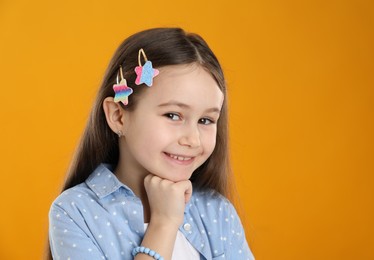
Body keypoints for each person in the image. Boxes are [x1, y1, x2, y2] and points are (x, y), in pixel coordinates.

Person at [48, 27, 254, 260]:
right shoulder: (76, 212)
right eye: (173, 115)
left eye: (206, 120)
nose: (193, 140)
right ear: (118, 116)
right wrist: (164, 223)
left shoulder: (216, 210)